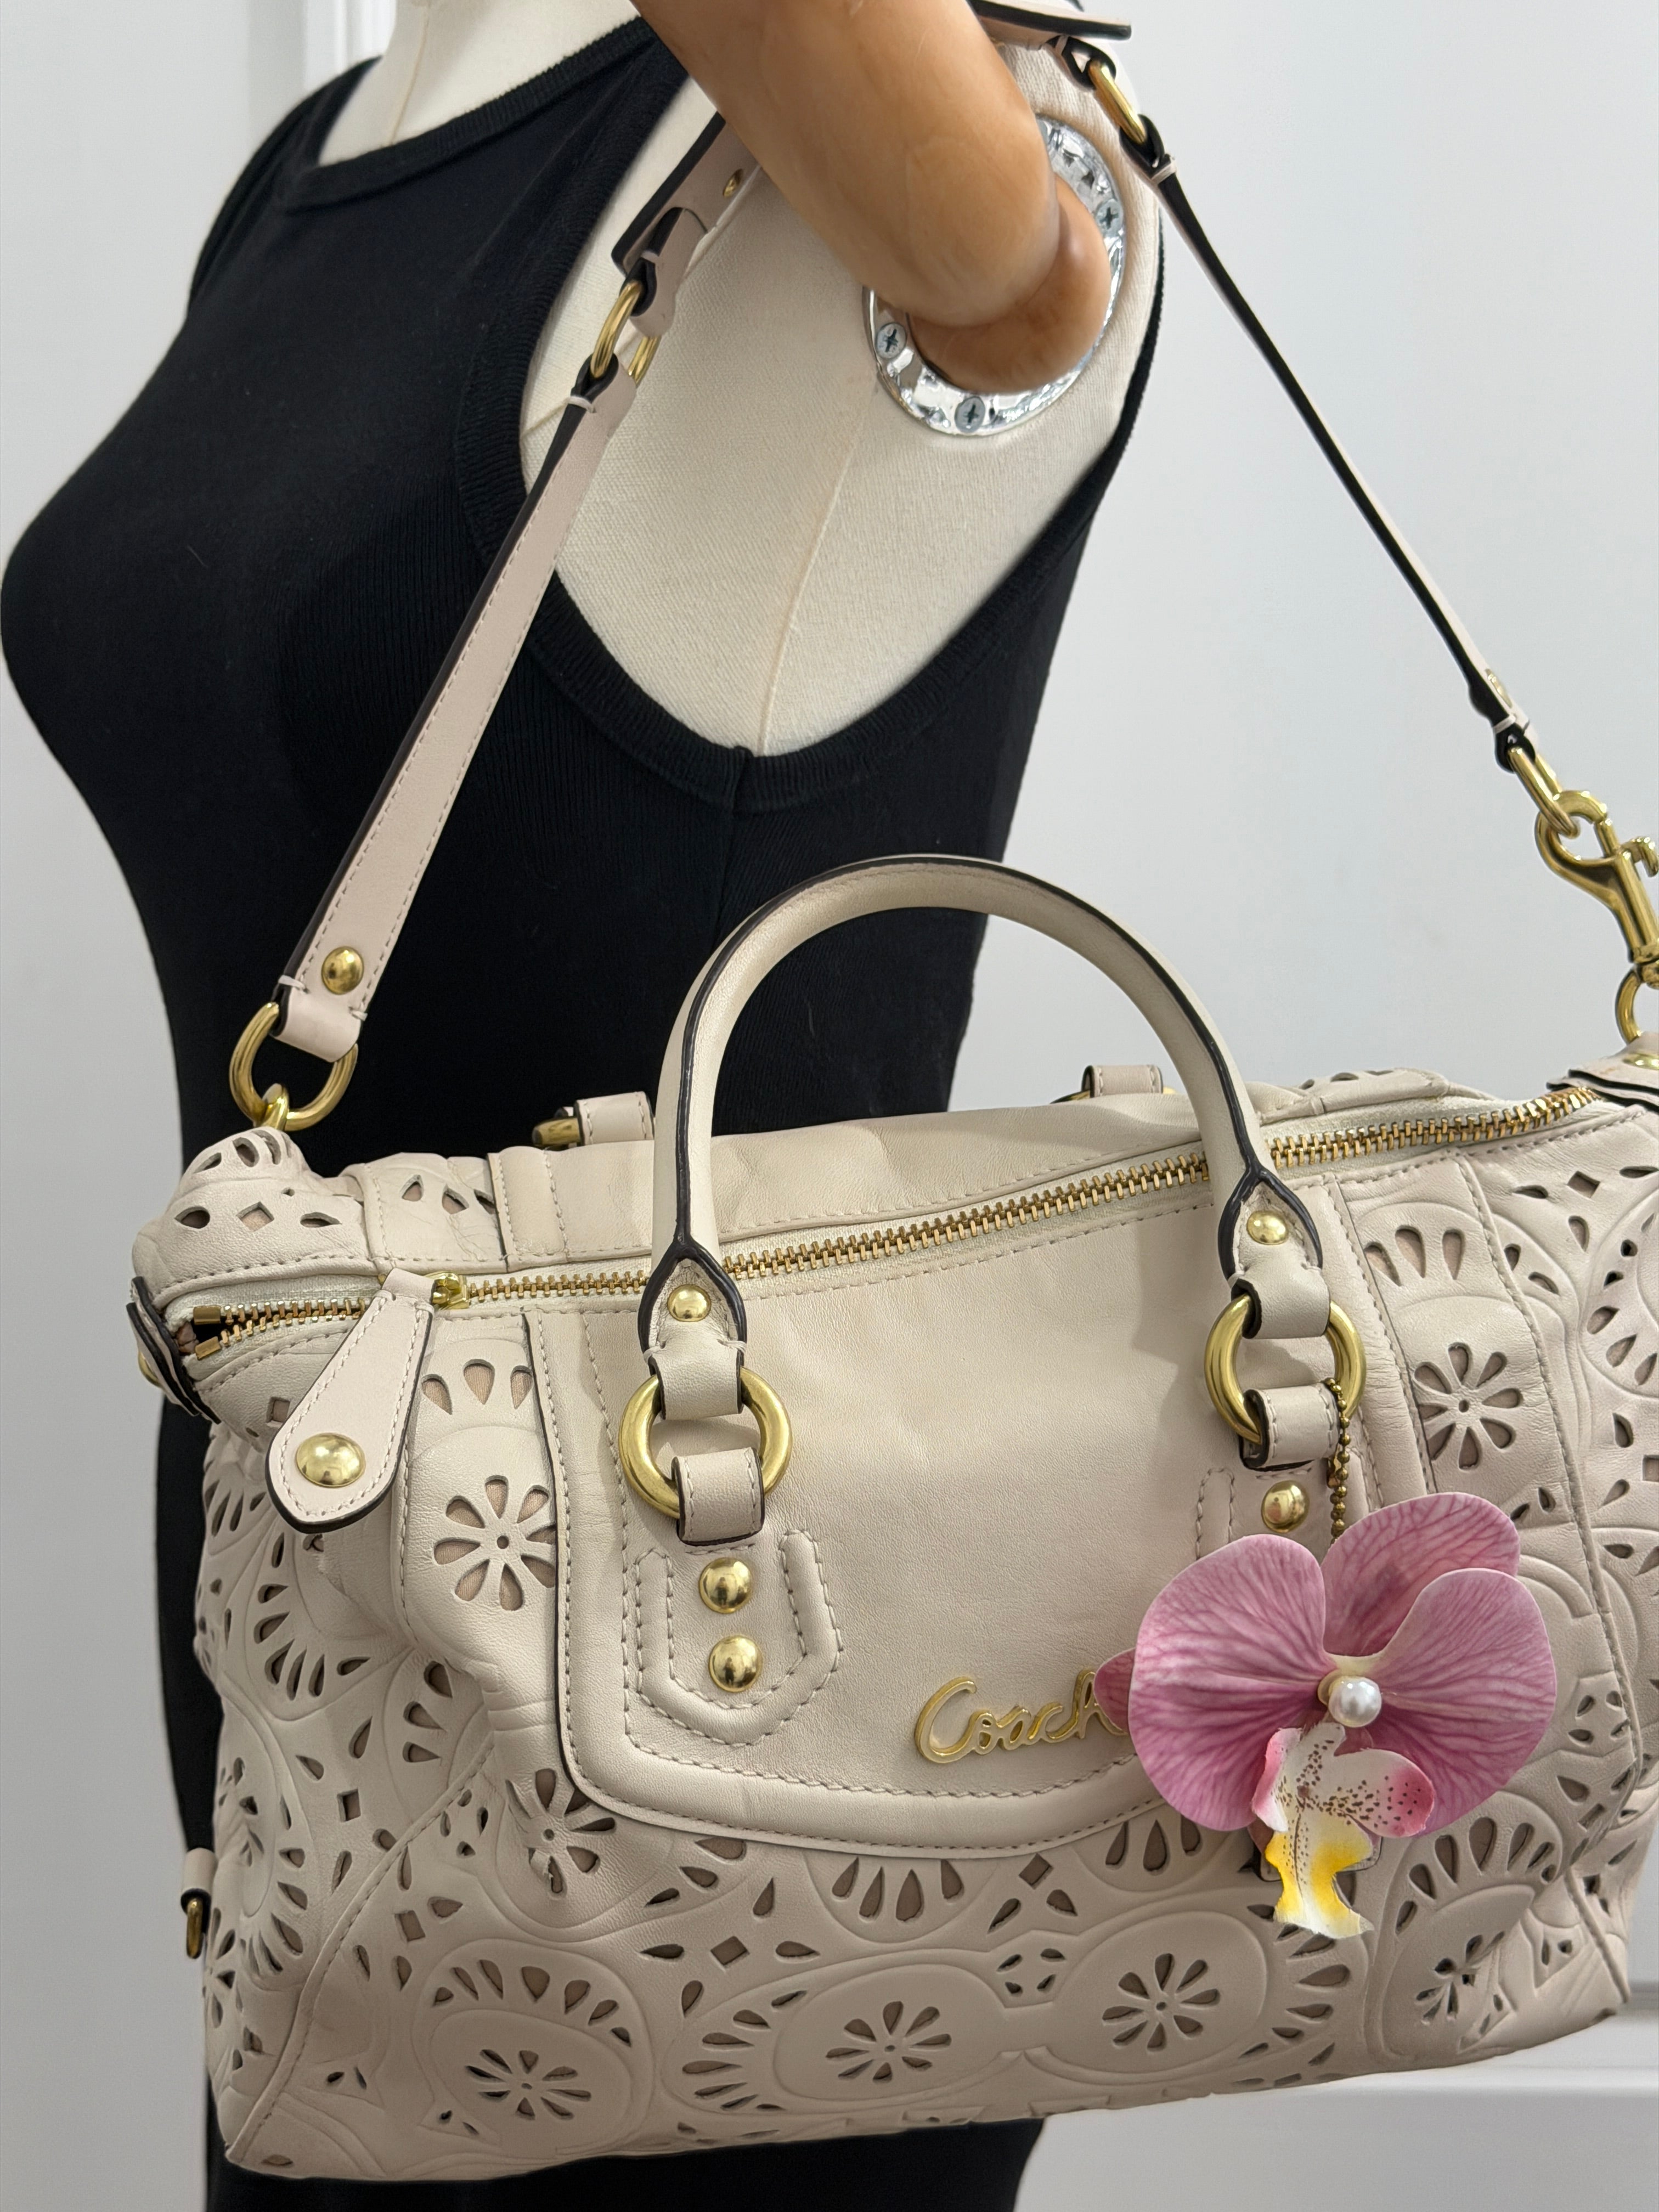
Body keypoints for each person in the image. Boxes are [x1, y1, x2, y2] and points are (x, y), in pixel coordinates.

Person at [1, 2, 1160, 2202]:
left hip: (717, 1667)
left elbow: (997, 268)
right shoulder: (334, 147)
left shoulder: (921, 128)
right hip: (328, 1577)